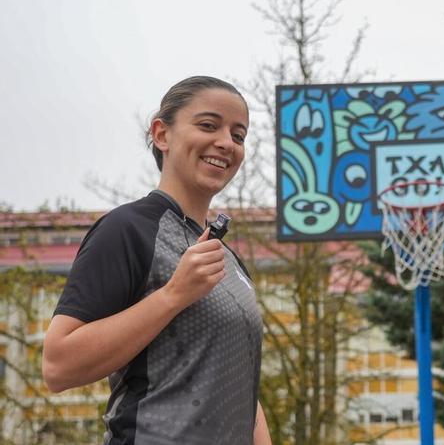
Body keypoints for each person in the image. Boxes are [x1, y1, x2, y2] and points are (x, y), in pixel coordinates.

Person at [42, 76, 272, 445]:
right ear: (162, 135)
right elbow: (58, 365)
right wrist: (173, 295)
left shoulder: (229, 260)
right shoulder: (127, 229)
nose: (226, 143)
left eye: (238, 135)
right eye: (209, 125)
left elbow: (238, 384)